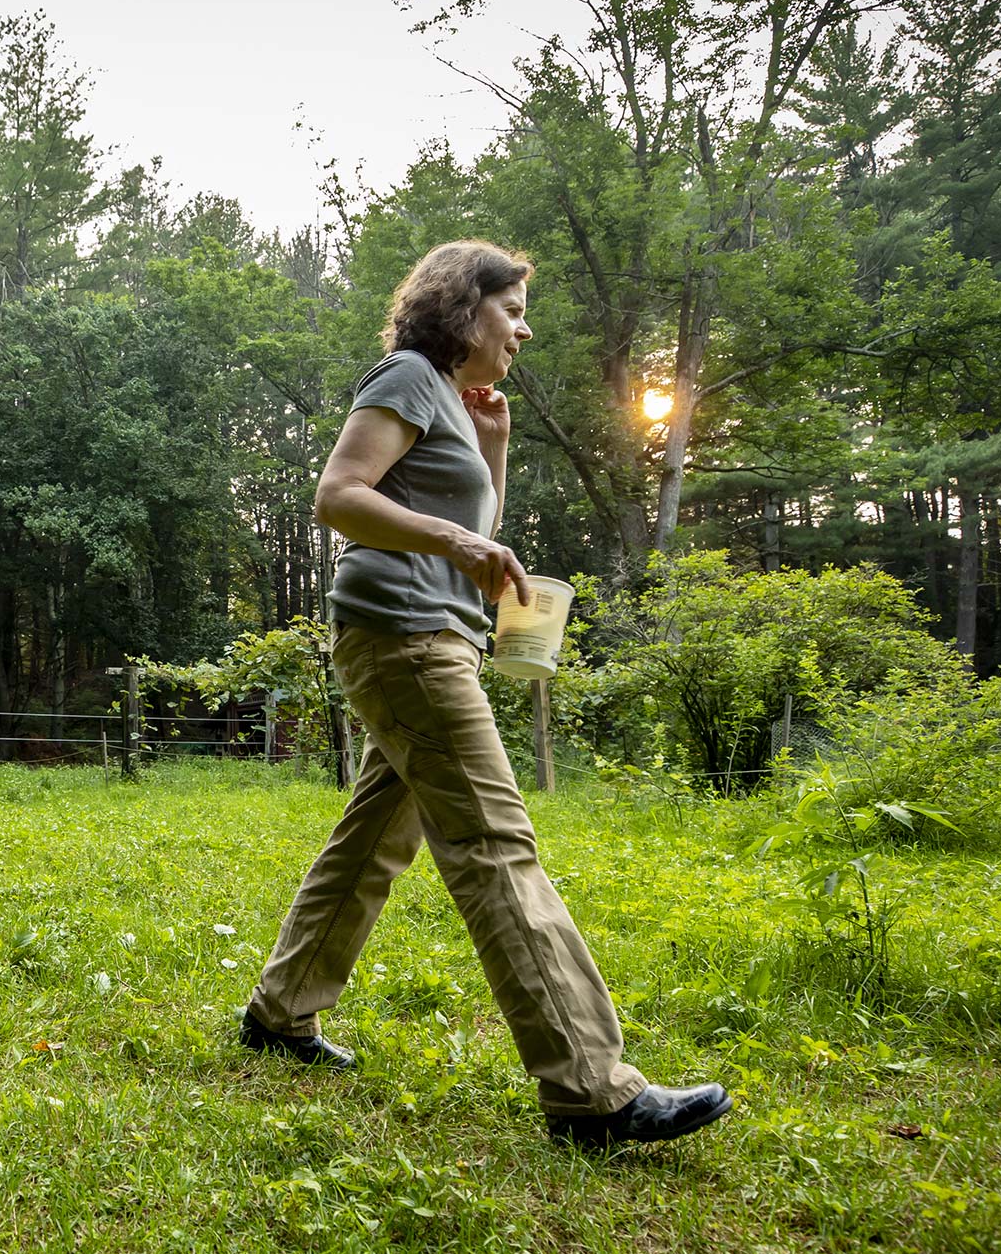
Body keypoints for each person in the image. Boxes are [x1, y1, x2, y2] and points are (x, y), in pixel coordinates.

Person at [237, 239, 729, 1149]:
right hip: (405, 641)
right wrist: (458, 546)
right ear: (464, 308)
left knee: (377, 836)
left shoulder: (460, 411)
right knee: (496, 842)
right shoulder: (406, 376)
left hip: (439, 641)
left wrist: (493, 455)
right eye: (512, 309)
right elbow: (338, 497)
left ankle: (281, 1011)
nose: (523, 328)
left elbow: (473, 526)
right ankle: (593, 1089)